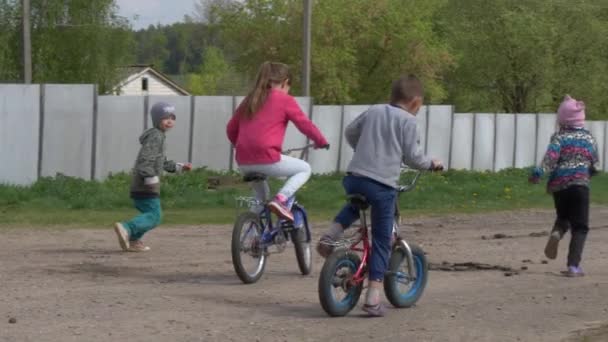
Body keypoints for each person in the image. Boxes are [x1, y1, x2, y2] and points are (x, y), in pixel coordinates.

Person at [317, 75, 443, 316]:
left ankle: (329, 236)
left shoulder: (374, 110)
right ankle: (373, 297)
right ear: (416, 102)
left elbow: (350, 132)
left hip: (354, 176)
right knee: (383, 239)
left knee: (356, 204)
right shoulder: (408, 121)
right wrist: (432, 164)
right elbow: (413, 157)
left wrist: (363, 148)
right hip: (382, 185)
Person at [226, 61, 328, 221]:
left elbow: (231, 129)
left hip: (243, 160)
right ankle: (281, 199)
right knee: (304, 168)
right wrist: (321, 141)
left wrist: (242, 146)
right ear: (286, 82)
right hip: (267, 157)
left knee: (260, 198)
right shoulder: (284, 100)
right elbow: (304, 124)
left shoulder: (250, 99)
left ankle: (252, 238)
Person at [530, 95, 600, 277]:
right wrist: (588, 173)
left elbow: (550, 158)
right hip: (579, 185)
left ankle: (556, 233)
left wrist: (538, 172)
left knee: (563, 216)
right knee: (580, 227)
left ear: (561, 119)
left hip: (559, 185)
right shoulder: (588, 138)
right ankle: (573, 266)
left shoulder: (559, 137)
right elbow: (595, 162)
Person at [113, 102, 192, 252]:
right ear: (156, 120)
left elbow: (160, 161)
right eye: (165, 117)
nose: (169, 121)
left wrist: (179, 167)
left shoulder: (158, 136)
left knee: (150, 214)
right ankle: (127, 228)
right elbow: (145, 160)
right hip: (145, 182)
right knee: (155, 216)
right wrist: (150, 177)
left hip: (142, 182)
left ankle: (134, 240)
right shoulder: (156, 136)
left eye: (172, 117)